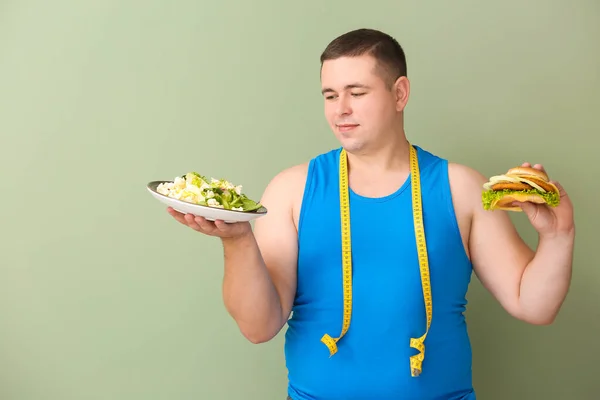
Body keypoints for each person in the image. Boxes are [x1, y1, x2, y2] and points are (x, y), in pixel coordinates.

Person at [167, 28, 575, 400]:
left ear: (400, 94)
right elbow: (258, 328)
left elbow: (534, 306)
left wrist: (559, 235)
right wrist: (237, 240)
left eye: (357, 92)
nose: (340, 109)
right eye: (330, 95)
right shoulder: (293, 189)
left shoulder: (460, 188)